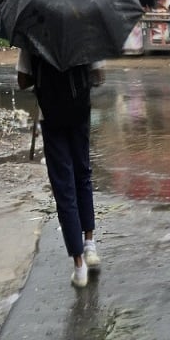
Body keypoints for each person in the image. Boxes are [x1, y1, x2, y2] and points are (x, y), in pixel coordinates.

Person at [17, 51, 103, 288]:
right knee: (83, 174)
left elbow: (22, 80)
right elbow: (99, 75)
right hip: (80, 110)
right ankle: (89, 244)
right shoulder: (85, 35)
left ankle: (79, 266)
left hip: (51, 115)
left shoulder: (33, 40)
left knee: (64, 186)